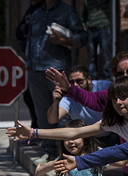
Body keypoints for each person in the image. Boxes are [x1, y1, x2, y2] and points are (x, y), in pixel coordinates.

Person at [22, 0, 87, 157]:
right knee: (42, 114)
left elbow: (83, 37)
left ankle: (66, 153)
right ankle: (49, 151)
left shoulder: (67, 12)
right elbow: (30, 40)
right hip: (35, 70)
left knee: (61, 113)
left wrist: (63, 40)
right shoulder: (36, 13)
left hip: (57, 69)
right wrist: (28, 63)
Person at [46, 65, 111, 127]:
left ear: (89, 79)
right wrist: (56, 101)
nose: (75, 84)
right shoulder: (69, 97)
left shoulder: (105, 86)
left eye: (79, 81)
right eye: (72, 82)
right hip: (85, 134)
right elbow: (52, 120)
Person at [16, 0, 41, 129]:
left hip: (42, 63)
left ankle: (40, 130)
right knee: (28, 96)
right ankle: (35, 125)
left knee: (39, 98)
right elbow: (19, 32)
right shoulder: (31, 9)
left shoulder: (42, 9)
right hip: (30, 61)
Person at [83, 0, 113, 79]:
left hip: (103, 28)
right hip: (91, 29)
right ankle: (92, 77)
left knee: (106, 54)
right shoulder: (87, 1)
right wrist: (84, 25)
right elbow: (84, 14)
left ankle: (107, 77)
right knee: (91, 56)